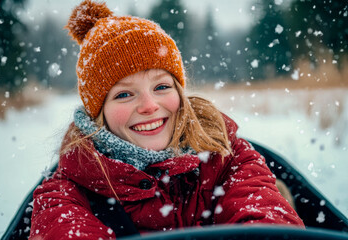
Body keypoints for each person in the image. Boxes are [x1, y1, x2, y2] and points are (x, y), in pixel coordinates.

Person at [29, 0, 304, 239]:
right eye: (125, 94)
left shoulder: (228, 156)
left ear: (180, 93)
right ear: (97, 113)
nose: (150, 106)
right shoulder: (65, 195)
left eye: (162, 87)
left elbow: (265, 216)